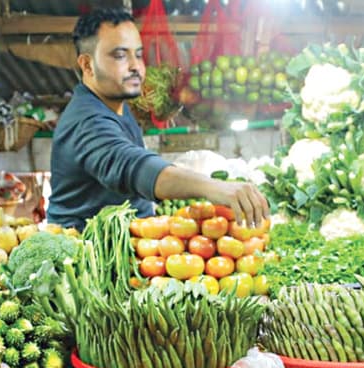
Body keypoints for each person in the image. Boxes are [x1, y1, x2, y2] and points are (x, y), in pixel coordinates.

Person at [48, 9, 268, 231]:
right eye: (120, 56)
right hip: (86, 258)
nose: (136, 66)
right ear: (87, 65)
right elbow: (131, 166)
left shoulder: (116, 106)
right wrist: (215, 188)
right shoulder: (87, 121)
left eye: (139, 54)